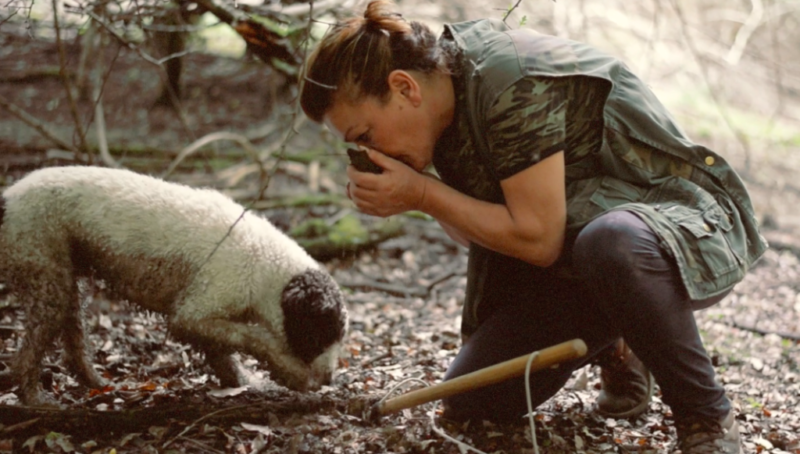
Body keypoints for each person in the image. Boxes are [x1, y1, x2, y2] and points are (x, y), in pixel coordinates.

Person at [299, 2, 768, 453]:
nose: (368, 153)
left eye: (365, 136)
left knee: (611, 246)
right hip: (582, 248)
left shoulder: (506, 81)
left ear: (405, 88)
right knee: (477, 399)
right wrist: (417, 196)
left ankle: (705, 415)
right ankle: (626, 335)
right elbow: (483, 231)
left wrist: (423, 194)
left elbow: (537, 239)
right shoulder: (437, 114)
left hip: (677, 228)